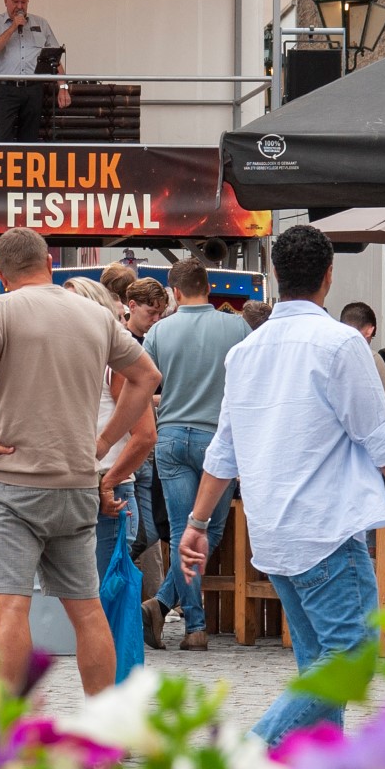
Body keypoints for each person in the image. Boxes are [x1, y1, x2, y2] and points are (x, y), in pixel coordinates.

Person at [179, 224, 385, 745]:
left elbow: (223, 451)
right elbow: (382, 439)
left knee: (321, 667)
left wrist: (197, 522)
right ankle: (251, 753)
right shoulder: (341, 344)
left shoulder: (246, 352)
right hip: (326, 527)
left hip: (275, 531)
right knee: (352, 658)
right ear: (329, 276)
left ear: (275, 275)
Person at [0, 228, 159, 697]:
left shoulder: (0, 309)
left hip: (14, 485)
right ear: (48, 259)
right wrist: (102, 442)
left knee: (10, 608)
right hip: (77, 485)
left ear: (1, 274)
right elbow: (147, 376)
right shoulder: (95, 314)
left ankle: (8, 732)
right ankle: (104, 727)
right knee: (86, 610)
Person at [140, 257, 251, 651]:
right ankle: (192, 624)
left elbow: (145, 385)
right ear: (209, 288)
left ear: (174, 292)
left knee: (182, 530)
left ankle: (170, 608)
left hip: (169, 438)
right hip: (216, 440)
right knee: (207, 529)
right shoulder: (236, 326)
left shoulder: (158, 331)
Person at [65, 278, 154, 593]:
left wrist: (108, 480)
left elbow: (144, 436)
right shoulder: (71, 361)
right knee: (82, 604)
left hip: (109, 494)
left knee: (103, 602)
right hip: (76, 489)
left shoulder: (114, 364)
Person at [0, 0, 70, 142]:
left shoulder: (41, 23)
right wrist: (12, 27)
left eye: (24, 2)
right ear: (5, 1)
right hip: (5, 89)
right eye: (15, 1)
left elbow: (54, 58)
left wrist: (63, 87)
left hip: (33, 89)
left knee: (29, 140)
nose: (20, 6)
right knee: (1, 139)